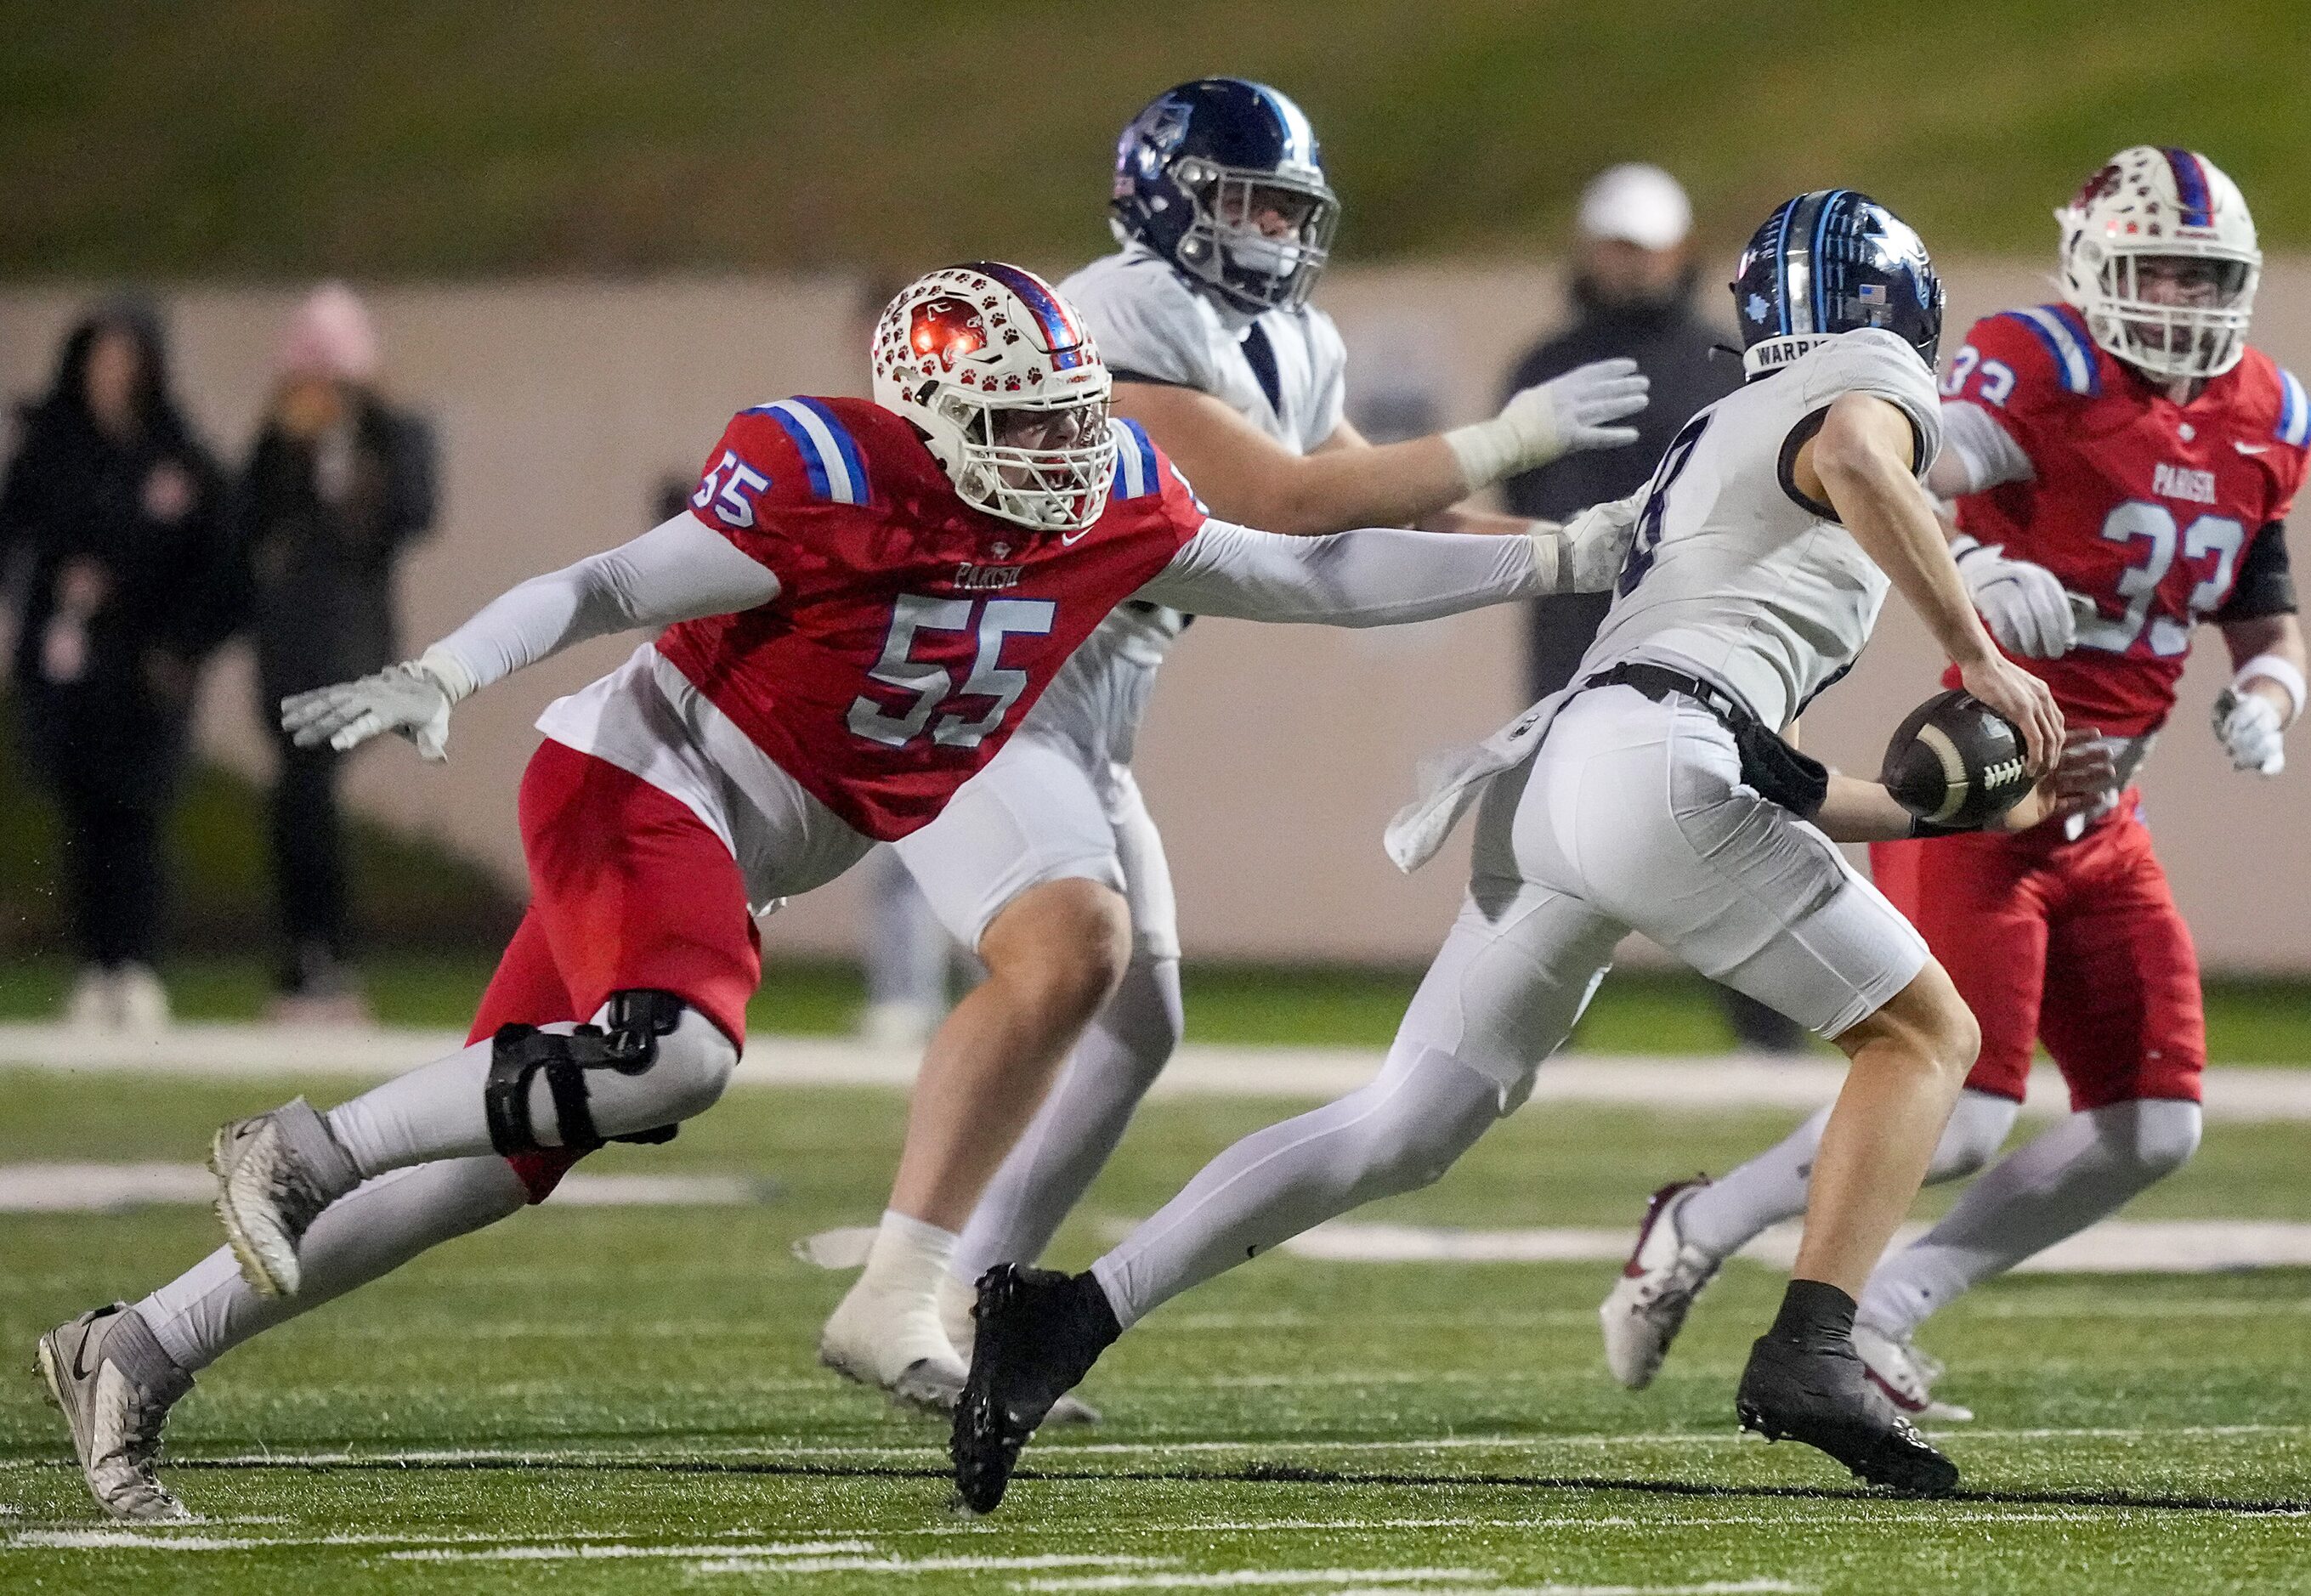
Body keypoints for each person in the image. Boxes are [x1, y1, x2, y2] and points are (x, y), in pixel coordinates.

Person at [34, 260, 1628, 1523]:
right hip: (649, 784)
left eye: (1075, 416)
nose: (1065, 456)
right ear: (931, 424)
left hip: (745, 837)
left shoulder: (1107, 494)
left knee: (497, 1163)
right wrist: (450, 664)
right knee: (679, 1056)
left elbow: (1313, 577)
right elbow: (606, 583)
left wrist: (1559, 559)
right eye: (1022, 429)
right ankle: (302, 1146)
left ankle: (139, 1344)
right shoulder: (828, 480)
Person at [949, 190, 2080, 1514]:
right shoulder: (1864, 385)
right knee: (1926, 1038)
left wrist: (1916, 807)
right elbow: (1855, 457)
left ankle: (1068, 1314)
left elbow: (1743, 751)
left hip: (1573, 770)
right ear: (1900, 309)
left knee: (1403, 1124)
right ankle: (1811, 1349)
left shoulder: (1714, 428)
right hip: (1655, 762)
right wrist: (1973, 646)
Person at [818, 78, 1651, 1412]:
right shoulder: (1113, 310)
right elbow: (1282, 501)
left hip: (1095, 695)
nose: (1267, 225)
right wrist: (1502, 445)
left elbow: (1390, 520)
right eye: (1241, 198)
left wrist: (1607, 554)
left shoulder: (1291, 339)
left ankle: (974, 1302)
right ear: (1164, 195)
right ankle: (893, 1291)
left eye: (1284, 204)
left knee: (1138, 1021)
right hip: (992, 666)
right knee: (1068, 960)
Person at [1598, 147, 2311, 1423]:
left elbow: (2263, 615)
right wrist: (1976, 577)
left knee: (2153, 1125)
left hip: (2108, 814)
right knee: (1968, 1112)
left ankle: (1886, 1305)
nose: (2176, 298)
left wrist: (2268, 696)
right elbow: (1887, 475)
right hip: (1987, 793)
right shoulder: (2033, 364)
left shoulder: (2264, 410)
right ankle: (1702, 1224)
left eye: (2200, 276)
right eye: (2151, 268)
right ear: (2090, 266)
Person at [1504, 161, 1805, 1055]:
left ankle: (1770, 1033)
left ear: (1680, 250)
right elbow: (1519, 504)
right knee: (1562, 839)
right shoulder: (1545, 365)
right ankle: (1538, 1027)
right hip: (1571, 643)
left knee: (1730, 819)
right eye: (1615, 246)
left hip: (1707, 638)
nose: (1631, 265)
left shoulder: (1727, 364)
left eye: (1646, 247)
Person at [0, 299, 235, 1031]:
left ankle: (136, 963)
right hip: (70, 669)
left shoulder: (177, 456)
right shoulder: (51, 447)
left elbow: (220, 565)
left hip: (144, 670)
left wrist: (182, 647)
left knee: (136, 815)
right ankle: (94, 965)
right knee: (82, 816)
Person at [238, 284, 439, 1021]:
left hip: (351, 643)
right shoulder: (279, 441)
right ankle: (310, 954)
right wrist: (287, 444)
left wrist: (367, 437)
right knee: (297, 796)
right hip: (288, 643)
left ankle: (323, 953)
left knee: (308, 792)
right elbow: (249, 521)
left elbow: (413, 513)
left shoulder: (393, 433)